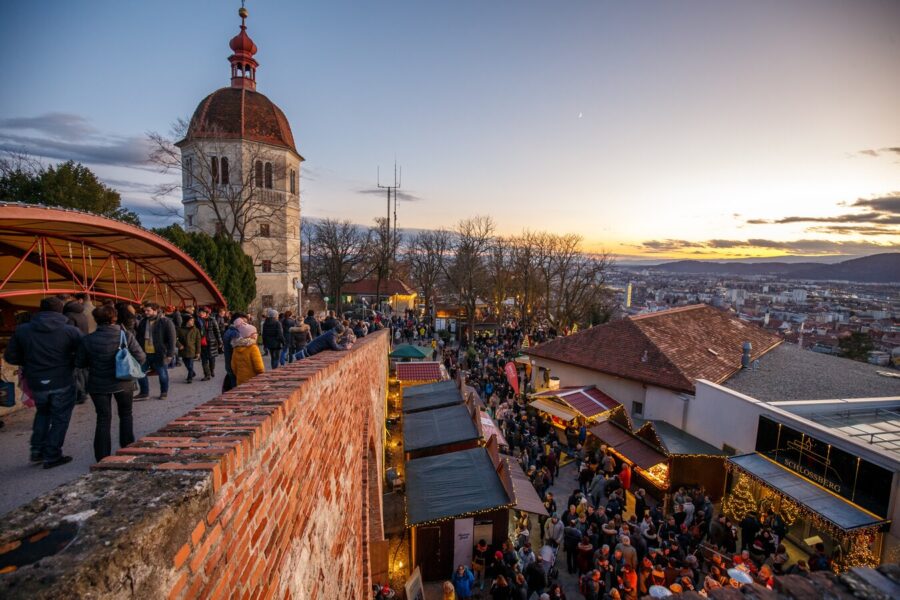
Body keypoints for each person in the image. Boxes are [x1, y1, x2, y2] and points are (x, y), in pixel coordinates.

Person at [3, 296, 82, 468]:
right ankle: (52, 455)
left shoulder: (23, 330)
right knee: (60, 418)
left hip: (36, 380)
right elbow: (82, 354)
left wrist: (28, 361)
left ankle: (37, 450)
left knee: (42, 414)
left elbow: (10, 356)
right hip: (62, 379)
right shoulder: (70, 331)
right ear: (60, 310)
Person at [75, 304, 146, 461]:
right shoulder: (125, 336)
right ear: (114, 318)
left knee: (103, 419)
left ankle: (102, 457)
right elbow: (141, 357)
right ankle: (128, 450)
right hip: (124, 383)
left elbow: (79, 363)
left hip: (98, 385)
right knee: (126, 415)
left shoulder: (88, 339)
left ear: (96, 319)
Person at [135, 303, 176, 400]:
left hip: (160, 353)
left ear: (155, 310)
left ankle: (163, 392)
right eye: (145, 311)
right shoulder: (143, 322)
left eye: (148, 310)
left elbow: (172, 339)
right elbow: (138, 337)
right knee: (140, 372)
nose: (145, 312)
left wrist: (170, 354)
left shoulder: (165, 322)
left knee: (162, 374)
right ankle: (144, 393)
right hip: (144, 353)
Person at [231, 322, 265, 386]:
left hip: (240, 380)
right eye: (255, 333)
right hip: (253, 381)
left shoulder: (236, 348)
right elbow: (259, 367)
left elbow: (233, 366)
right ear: (250, 335)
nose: (256, 335)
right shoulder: (253, 348)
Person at [196, 306, 223, 381]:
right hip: (202, 342)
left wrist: (220, 341)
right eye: (200, 312)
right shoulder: (198, 321)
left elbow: (217, 332)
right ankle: (207, 375)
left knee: (212, 359)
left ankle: (212, 370)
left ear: (207, 313)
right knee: (204, 359)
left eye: (203, 312)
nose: (201, 314)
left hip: (212, 342)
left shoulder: (212, 320)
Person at [176, 315, 201, 383]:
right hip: (183, 349)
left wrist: (198, 352)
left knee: (190, 364)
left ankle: (189, 377)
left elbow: (198, 342)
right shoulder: (180, 329)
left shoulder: (196, 330)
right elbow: (174, 338)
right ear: (186, 321)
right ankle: (192, 372)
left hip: (192, 350)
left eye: (193, 321)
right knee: (186, 363)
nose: (192, 322)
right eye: (191, 320)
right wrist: (179, 345)